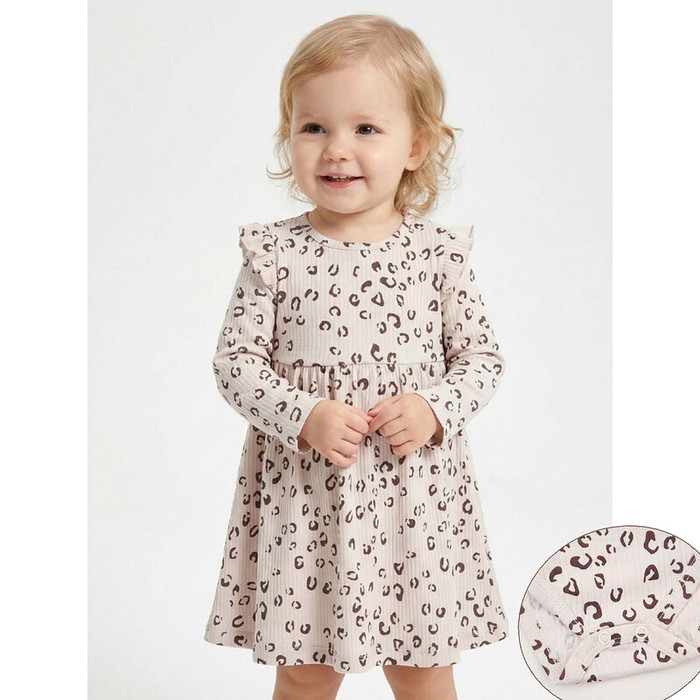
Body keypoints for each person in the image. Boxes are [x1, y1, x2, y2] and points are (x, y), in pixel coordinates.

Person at [204, 13, 508, 700]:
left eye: (366, 128)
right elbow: (235, 362)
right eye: (314, 127)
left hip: (414, 504)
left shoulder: (437, 256)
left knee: (423, 667)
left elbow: (482, 358)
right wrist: (302, 413)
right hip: (308, 501)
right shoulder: (274, 253)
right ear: (289, 136)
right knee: (305, 669)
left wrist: (434, 407)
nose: (336, 150)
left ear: (416, 144)